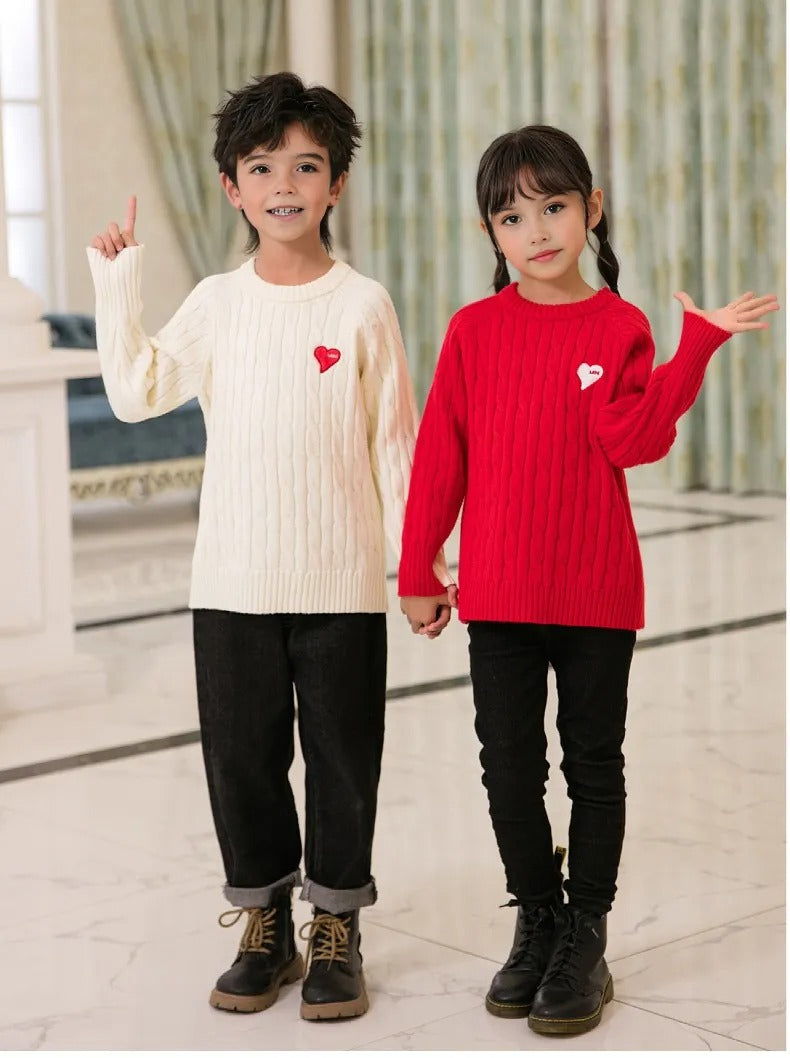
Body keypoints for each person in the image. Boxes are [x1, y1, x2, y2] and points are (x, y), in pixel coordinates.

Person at [398, 124, 778, 1037]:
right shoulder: (472, 332)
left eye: (555, 206)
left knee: (594, 766)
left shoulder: (619, 326)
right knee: (507, 770)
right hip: (497, 593)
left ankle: (588, 936)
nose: (537, 230)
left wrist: (696, 349)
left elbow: (633, 441)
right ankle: (536, 918)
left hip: (597, 592)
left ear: (591, 210)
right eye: (513, 215)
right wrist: (417, 567)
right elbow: (439, 456)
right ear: (491, 234)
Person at [87, 71, 451, 1023]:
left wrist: (419, 570)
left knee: (342, 759)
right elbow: (135, 393)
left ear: (336, 185)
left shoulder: (362, 303)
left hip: (340, 583)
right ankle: (265, 923)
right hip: (232, 581)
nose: (284, 182)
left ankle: (337, 926)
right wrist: (118, 280)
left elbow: (394, 444)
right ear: (231, 188)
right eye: (262, 166)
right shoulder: (214, 303)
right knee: (241, 759)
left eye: (306, 164)